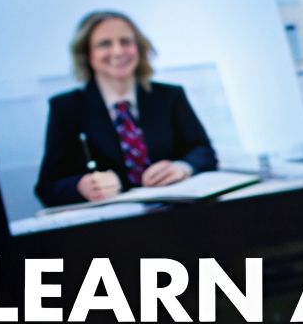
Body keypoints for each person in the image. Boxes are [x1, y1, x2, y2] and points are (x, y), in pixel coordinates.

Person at [34, 11, 217, 207]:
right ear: (87, 54)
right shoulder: (66, 108)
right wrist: (80, 187)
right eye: (105, 44)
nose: (118, 51)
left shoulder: (170, 96)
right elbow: (47, 187)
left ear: (139, 48)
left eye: (126, 41)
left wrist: (183, 167)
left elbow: (204, 152)